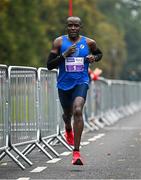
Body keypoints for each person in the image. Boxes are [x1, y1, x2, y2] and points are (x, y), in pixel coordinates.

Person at [47, 16, 103, 165]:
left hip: (81, 82)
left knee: (78, 110)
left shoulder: (89, 42)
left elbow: (99, 54)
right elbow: (49, 65)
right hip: (64, 84)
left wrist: (94, 58)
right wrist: (64, 55)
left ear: (80, 27)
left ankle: (76, 153)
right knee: (68, 114)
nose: (73, 28)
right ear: (67, 27)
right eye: (70, 25)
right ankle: (67, 127)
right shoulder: (59, 42)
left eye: (76, 26)